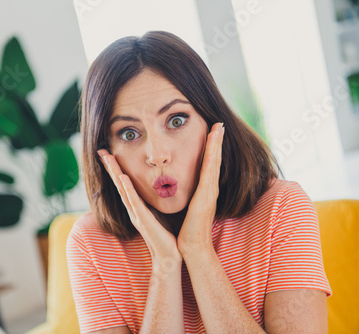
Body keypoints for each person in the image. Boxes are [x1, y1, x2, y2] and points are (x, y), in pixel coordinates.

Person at [66, 30, 332, 334]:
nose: (157, 155)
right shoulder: (90, 245)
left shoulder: (282, 208)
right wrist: (165, 263)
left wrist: (198, 250)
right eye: (129, 133)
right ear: (106, 152)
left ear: (212, 122)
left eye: (176, 120)